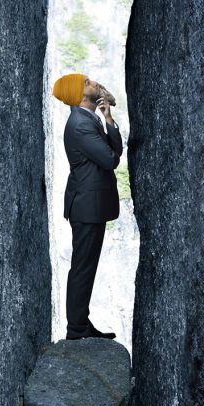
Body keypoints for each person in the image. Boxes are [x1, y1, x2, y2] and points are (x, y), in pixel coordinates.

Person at [52, 73, 124, 340]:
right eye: (86, 82)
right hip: (86, 205)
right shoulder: (80, 124)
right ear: (81, 96)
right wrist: (107, 135)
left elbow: (115, 151)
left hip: (89, 204)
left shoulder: (87, 119)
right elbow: (110, 159)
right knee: (83, 267)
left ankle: (81, 323)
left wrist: (108, 120)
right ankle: (77, 328)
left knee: (85, 266)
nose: (93, 82)